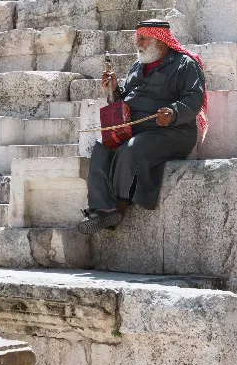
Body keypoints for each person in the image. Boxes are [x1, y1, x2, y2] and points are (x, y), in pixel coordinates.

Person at [78, 19, 207, 234]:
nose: (138, 43)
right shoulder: (137, 67)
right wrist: (114, 90)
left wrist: (173, 113)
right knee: (102, 146)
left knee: (132, 148)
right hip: (134, 127)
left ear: (161, 41)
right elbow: (125, 102)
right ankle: (100, 208)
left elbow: (194, 99)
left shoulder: (185, 64)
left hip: (171, 131)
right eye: (137, 38)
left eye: (143, 39)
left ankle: (120, 205)